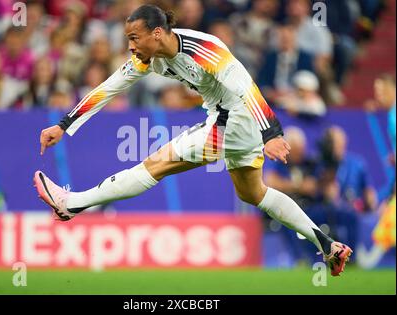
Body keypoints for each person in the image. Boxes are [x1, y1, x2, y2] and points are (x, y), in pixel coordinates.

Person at [34, 5, 352, 276]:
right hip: (230, 119)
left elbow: (246, 87)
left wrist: (271, 132)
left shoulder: (204, 48)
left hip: (238, 118)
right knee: (253, 193)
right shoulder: (149, 58)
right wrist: (63, 124)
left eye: (134, 38)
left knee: (155, 164)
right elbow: (109, 88)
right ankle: (326, 245)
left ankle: (72, 204)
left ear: (157, 33)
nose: (130, 46)